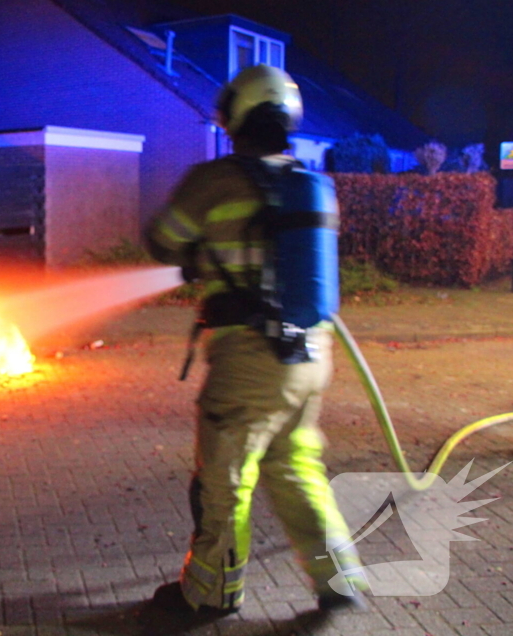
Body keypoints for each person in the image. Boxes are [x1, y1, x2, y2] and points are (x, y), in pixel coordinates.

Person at [144, 65, 367, 616]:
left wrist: (198, 253)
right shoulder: (313, 186)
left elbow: (161, 241)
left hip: (249, 359)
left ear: (235, 116)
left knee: (223, 479)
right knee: (296, 468)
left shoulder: (212, 181)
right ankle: (339, 578)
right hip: (310, 354)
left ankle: (210, 593)